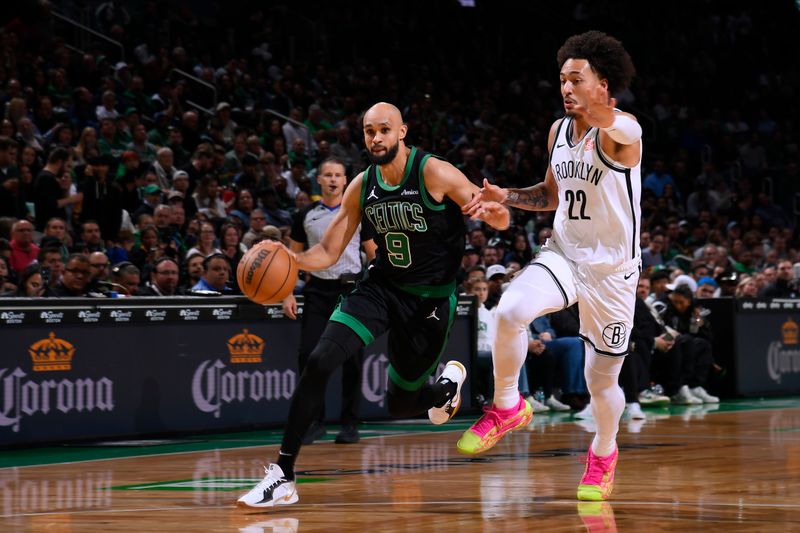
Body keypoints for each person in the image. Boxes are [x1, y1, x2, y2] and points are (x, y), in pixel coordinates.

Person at [237, 102, 510, 508]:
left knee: (399, 404)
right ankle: (283, 475)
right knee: (319, 360)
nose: (376, 138)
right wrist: (290, 259)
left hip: (430, 304)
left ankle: (443, 390)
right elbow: (328, 251)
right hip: (381, 287)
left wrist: (495, 213)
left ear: (402, 132)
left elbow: (499, 217)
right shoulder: (362, 184)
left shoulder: (433, 171)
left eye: (384, 130)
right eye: (369, 131)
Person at [460, 31, 641, 502]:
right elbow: (550, 195)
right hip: (564, 252)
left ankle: (604, 450)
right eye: (561, 79)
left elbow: (624, 129)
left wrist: (603, 112)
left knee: (600, 382)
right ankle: (507, 404)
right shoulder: (558, 131)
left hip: (613, 274)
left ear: (602, 85)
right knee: (508, 311)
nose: (565, 88)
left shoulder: (625, 133)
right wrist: (507, 197)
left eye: (576, 80)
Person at [282, 158, 377, 445]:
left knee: (352, 360)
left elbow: (373, 256)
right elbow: (291, 258)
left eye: (338, 175)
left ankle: (350, 423)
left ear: (346, 180)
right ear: (319, 180)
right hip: (317, 292)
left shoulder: (359, 213)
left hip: (351, 292)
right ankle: (315, 421)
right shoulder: (305, 214)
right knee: (309, 356)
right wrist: (287, 292)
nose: (334, 179)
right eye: (328, 175)